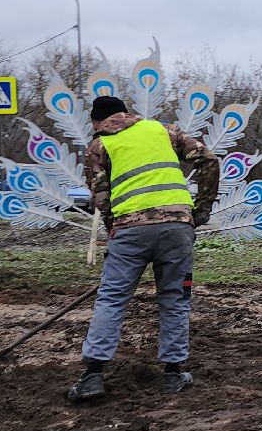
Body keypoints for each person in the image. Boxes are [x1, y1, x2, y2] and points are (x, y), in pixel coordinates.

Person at [68, 95, 219, 403]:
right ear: (126, 113)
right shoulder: (164, 130)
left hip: (130, 229)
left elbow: (100, 195)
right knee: (175, 298)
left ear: (98, 121)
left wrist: (113, 225)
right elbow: (209, 160)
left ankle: (92, 376)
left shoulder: (99, 146)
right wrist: (200, 210)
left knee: (112, 298)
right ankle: (173, 374)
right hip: (177, 227)